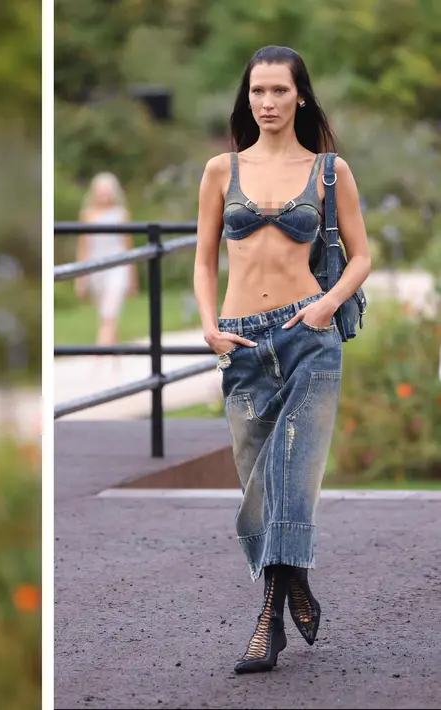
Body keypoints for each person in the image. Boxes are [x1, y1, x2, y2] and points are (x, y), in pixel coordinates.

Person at [192, 45, 371, 674]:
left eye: (279, 92)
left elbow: (360, 256)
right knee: (256, 488)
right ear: (247, 97)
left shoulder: (329, 171)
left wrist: (326, 306)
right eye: (257, 92)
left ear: (300, 97)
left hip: (307, 339)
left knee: (293, 480)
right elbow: (203, 258)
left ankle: (267, 621)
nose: (267, 103)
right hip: (241, 344)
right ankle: (294, 585)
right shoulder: (221, 170)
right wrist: (210, 328)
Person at [74, 172, 135, 369]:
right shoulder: (87, 214)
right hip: (96, 269)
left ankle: (96, 362)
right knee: (108, 314)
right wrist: (80, 277)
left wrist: (132, 276)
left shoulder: (121, 214)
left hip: (117, 267)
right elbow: (83, 246)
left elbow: (128, 245)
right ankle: (117, 362)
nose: (104, 196)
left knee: (108, 315)